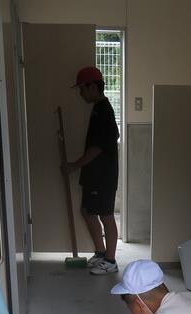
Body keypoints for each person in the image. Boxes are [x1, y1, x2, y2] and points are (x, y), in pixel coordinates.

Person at [64, 66, 120, 275]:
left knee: (106, 214)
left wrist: (74, 165)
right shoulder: (98, 109)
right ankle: (100, 252)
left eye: (82, 89)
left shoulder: (104, 110)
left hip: (103, 175)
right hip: (93, 174)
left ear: (93, 87)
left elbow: (98, 147)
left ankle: (111, 261)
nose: (81, 93)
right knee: (87, 211)